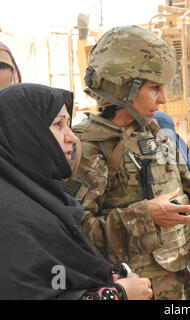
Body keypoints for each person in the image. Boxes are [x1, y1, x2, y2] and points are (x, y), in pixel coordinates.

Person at [69, 25, 190, 300]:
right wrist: (146, 216)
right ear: (124, 88)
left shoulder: (156, 134)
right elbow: (74, 235)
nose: (165, 98)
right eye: (154, 88)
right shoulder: (88, 147)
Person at [0, 83, 153, 300]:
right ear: (25, 133)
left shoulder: (44, 197)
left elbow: (58, 276)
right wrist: (118, 294)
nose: (71, 136)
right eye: (58, 125)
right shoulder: (10, 218)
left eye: (69, 125)